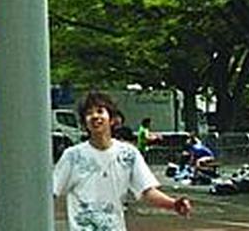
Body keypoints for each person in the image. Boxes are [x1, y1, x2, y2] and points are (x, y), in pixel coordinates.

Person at [54, 91, 192, 230]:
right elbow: (51, 192)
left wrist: (173, 204)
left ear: (113, 119)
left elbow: (146, 191)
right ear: (84, 122)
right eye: (89, 113)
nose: (95, 116)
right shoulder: (72, 156)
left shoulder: (128, 154)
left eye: (100, 111)